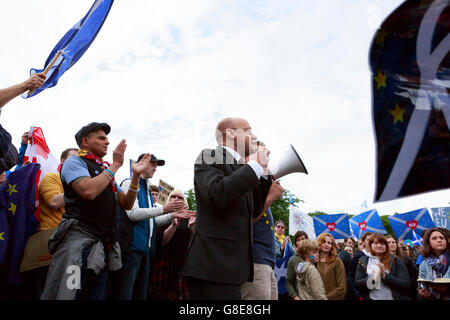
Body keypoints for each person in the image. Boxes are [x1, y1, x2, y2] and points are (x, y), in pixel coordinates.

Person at [41, 122, 150, 300]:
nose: (107, 142)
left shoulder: (103, 170)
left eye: (107, 138)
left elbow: (127, 203)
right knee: (69, 294)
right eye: (101, 138)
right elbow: (88, 191)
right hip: (77, 247)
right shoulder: (74, 161)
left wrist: (136, 177)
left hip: (100, 252)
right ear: (85, 141)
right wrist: (114, 166)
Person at [182, 117, 272, 300]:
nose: (254, 136)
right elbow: (217, 194)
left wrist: (263, 176)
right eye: (248, 131)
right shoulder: (209, 156)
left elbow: (254, 211)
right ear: (231, 133)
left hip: (231, 268)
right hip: (212, 265)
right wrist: (254, 166)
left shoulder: (241, 168)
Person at [108, 153, 192, 300]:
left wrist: (172, 216)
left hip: (145, 252)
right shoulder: (129, 182)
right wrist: (165, 210)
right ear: (141, 163)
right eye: (152, 164)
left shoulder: (147, 189)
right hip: (131, 249)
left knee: (140, 295)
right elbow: (133, 214)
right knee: (124, 294)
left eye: (156, 165)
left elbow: (150, 222)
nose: (155, 168)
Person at [241, 179, 285, 300]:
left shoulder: (261, 197)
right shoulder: (249, 191)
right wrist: (271, 197)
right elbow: (247, 219)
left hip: (267, 263)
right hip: (256, 262)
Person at [148, 190, 196, 300]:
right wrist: (173, 226)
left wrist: (192, 228)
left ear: (185, 202)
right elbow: (162, 242)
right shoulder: (162, 217)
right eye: (173, 196)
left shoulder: (190, 216)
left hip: (181, 265)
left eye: (180, 197)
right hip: (163, 263)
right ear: (169, 200)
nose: (176, 199)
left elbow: (195, 244)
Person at [355, 233, 410, 300]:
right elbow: (358, 284)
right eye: (375, 243)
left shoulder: (395, 260)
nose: (379, 245)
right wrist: (375, 277)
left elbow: (405, 283)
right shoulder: (363, 260)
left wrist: (385, 276)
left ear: (386, 246)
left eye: (382, 244)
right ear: (370, 245)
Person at [417, 228, 449, 300]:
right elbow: (421, 285)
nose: (439, 240)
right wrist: (423, 294)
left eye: (442, 238)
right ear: (429, 243)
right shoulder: (424, 263)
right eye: (434, 238)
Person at [386, 235, 418, 300]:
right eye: (388, 242)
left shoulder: (405, 260)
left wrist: (405, 284)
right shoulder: (380, 260)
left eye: (393, 242)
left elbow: (414, 277)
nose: (391, 244)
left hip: (406, 294)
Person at [316, 233, 347, 300]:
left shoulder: (337, 261)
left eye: (329, 243)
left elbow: (342, 288)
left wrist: (325, 298)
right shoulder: (315, 262)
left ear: (332, 246)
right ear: (319, 243)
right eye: (324, 242)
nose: (326, 244)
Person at [285, 231, 309, 300]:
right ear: (295, 243)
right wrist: (295, 296)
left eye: (303, 239)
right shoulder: (292, 260)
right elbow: (288, 281)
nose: (301, 241)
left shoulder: (315, 256)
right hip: (300, 295)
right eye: (298, 240)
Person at [350, 231, 373, 299]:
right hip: (361, 292)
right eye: (368, 239)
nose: (370, 241)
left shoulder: (376, 255)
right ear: (363, 242)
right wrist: (357, 293)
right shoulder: (357, 256)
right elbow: (352, 275)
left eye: (372, 239)